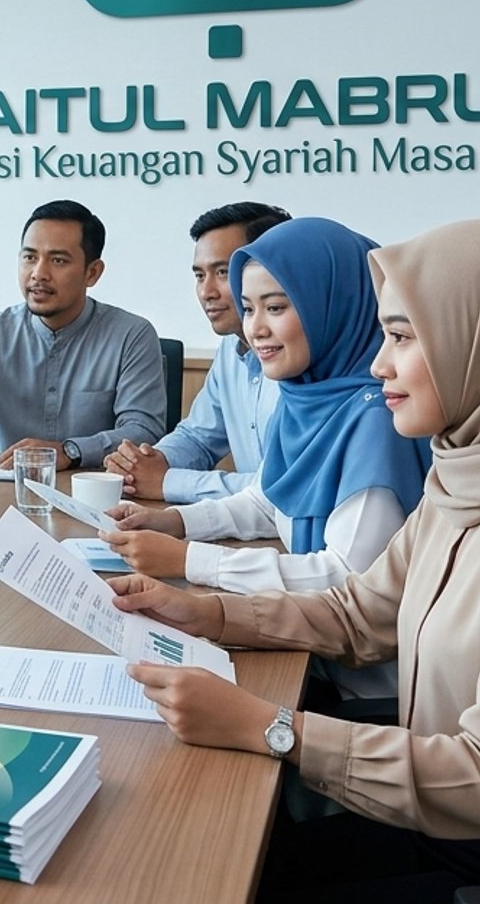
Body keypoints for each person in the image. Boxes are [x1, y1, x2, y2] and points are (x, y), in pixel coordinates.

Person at [109, 220, 480, 900]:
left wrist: (269, 727)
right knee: (221, 854)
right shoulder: (467, 472)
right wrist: (204, 613)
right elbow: (362, 614)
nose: (379, 364)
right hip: (455, 819)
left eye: (404, 338)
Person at [101, 219, 430, 689]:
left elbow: (346, 579)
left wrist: (189, 559)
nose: (254, 329)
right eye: (249, 307)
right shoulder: (308, 398)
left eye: (275, 307)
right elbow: (268, 498)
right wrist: (174, 522)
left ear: (332, 304)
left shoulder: (377, 418)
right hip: (303, 649)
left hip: (356, 687)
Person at [0, 199, 163, 470]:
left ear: (92, 273)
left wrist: (70, 451)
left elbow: (144, 431)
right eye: (30, 257)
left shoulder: (132, 335)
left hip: (95, 487)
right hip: (6, 486)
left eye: (58, 260)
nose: (39, 274)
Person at [105, 202, 291, 502]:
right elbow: (198, 437)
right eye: (200, 276)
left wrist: (167, 481)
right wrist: (147, 463)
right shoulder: (231, 348)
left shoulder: (306, 357)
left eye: (222, 272)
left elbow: (283, 487)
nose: (207, 292)